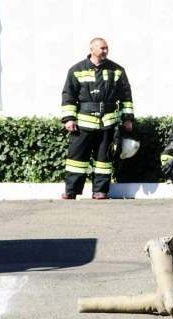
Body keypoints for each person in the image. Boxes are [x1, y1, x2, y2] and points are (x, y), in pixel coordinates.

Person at [60, 37, 134, 200]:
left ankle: (100, 191)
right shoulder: (76, 70)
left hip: (108, 122)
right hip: (83, 123)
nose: (105, 51)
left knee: (104, 160)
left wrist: (127, 118)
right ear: (91, 49)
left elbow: (126, 96)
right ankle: (71, 190)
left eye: (107, 48)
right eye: (102, 48)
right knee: (76, 159)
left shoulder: (117, 70)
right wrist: (69, 118)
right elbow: (68, 95)